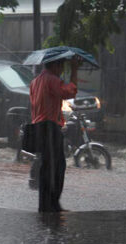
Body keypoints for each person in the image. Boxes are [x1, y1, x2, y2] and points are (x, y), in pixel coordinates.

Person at [29, 58, 79, 212]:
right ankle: (53, 203)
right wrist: (74, 71)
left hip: (38, 127)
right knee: (57, 167)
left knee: (46, 166)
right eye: (62, 66)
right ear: (55, 65)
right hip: (50, 127)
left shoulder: (35, 81)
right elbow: (69, 93)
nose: (62, 70)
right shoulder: (52, 80)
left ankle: (45, 204)